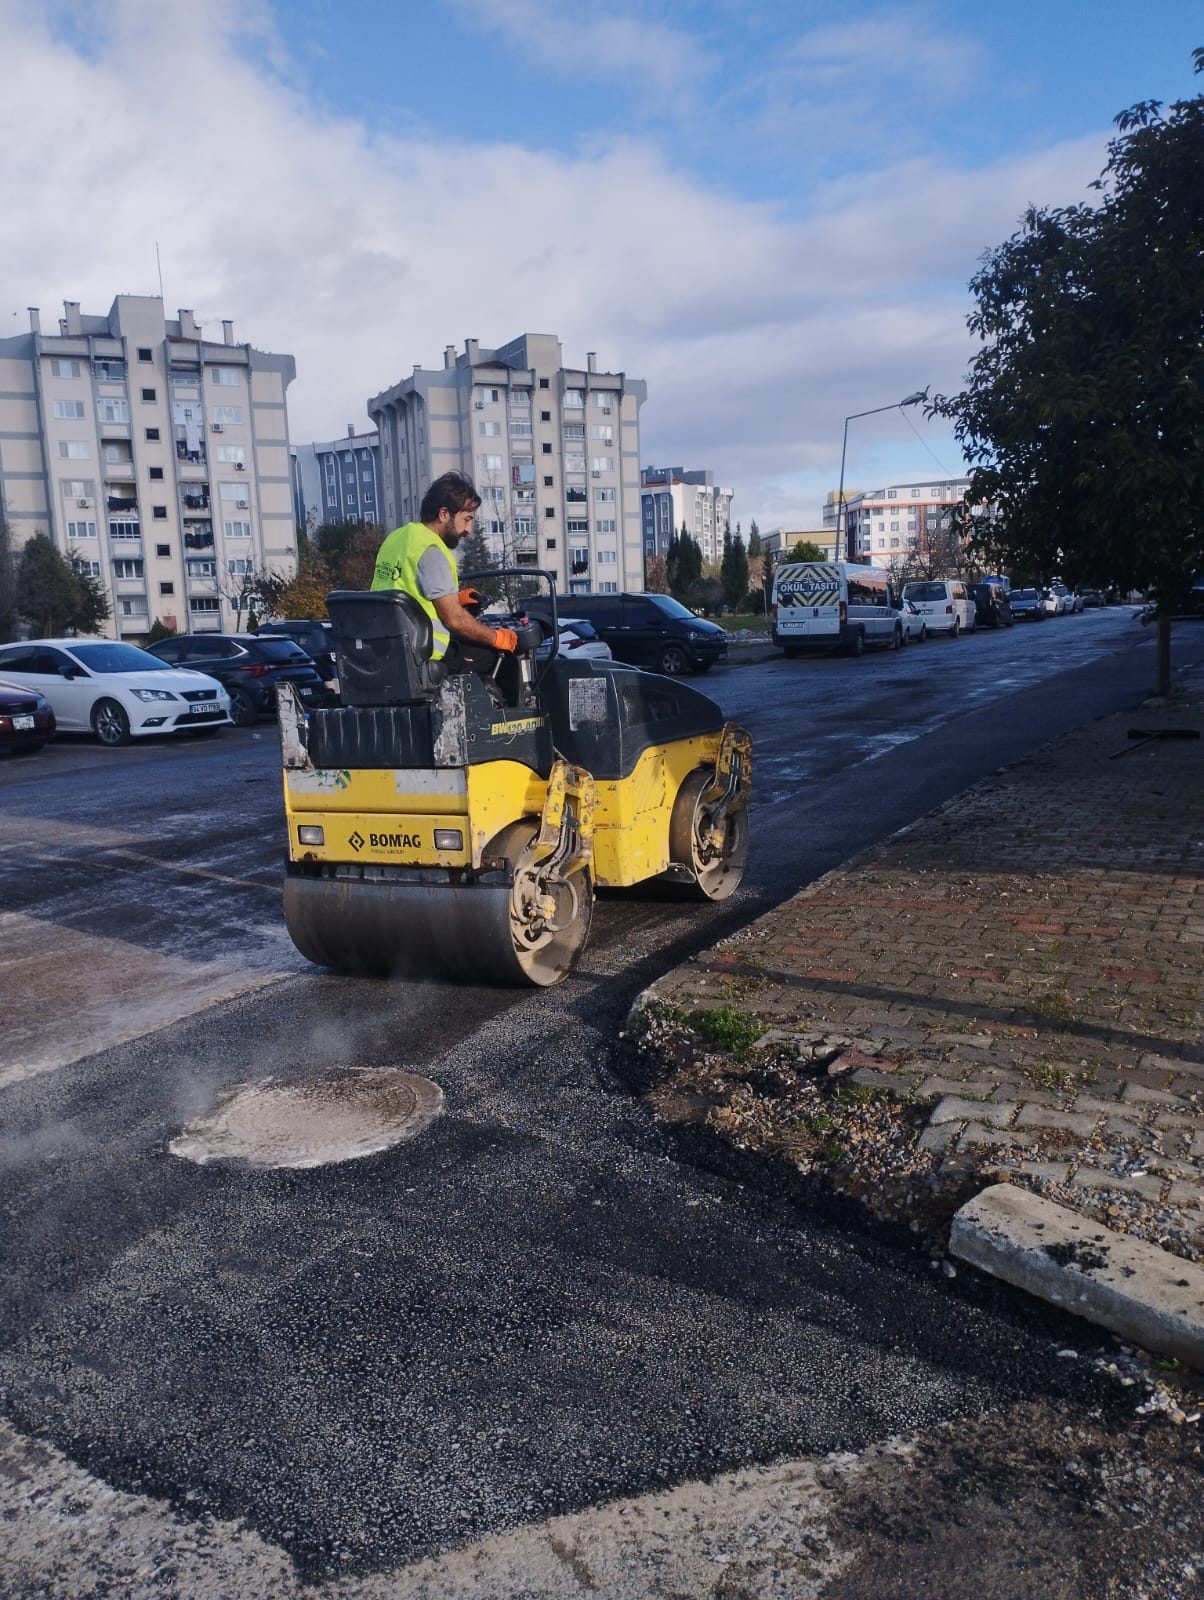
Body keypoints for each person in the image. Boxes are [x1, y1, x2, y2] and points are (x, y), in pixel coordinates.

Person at [371, 471, 518, 672]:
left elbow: (404, 588)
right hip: (424, 654)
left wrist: (455, 598)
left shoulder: (396, 538)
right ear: (444, 514)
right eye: (467, 519)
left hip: (388, 647)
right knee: (505, 661)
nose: (469, 529)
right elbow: (454, 620)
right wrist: (496, 637)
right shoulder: (431, 550)